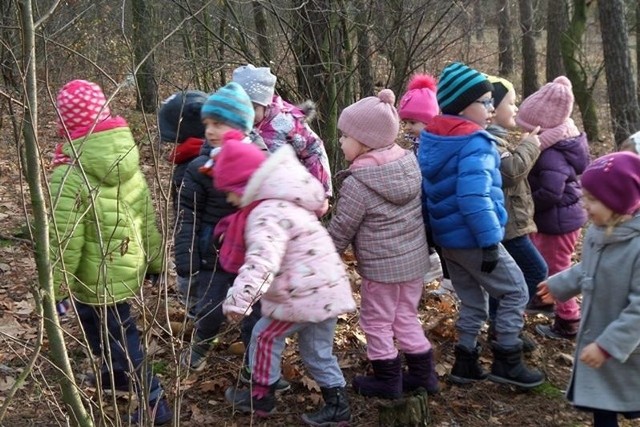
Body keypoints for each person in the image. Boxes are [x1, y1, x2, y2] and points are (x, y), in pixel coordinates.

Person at [50, 79, 171, 424]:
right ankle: (115, 375)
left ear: (66, 123)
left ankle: (154, 402)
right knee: (97, 323)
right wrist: (155, 262)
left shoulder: (69, 172)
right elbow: (145, 214)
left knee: (121, 336)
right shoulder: (124, 154)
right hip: (127, 262)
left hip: (96, 272)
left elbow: (66, 240)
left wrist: (57, 289)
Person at [216, 133, 356, 425]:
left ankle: (261, 397)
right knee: (317, 351)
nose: (229, 199)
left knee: (264, 335)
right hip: (326, 291)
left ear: (244, 187)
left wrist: (240, 299)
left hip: (302, 295)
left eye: (229, 192)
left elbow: (262, 261)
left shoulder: (266, 214)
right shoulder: (290, 203)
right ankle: (337, 404)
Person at [419, 62, 544, 388]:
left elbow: (428, 194)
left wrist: (435, 240)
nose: (491, 108)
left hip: (449, 240)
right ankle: (507, 358)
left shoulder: (433, 138)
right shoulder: (475, 142)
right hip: (475, 238)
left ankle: (466, 360)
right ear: (462, 104)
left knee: (474, 301)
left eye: (492, 101)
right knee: (516, 291)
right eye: (484, 101)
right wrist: (490, 242)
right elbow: (474, 198)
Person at [327, 89, 437, 399]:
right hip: (413, 264)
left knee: (375, 321)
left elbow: (341, 229)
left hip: (381, 270)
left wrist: (322, 257)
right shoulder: (409, 165)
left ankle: (387, 380)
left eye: (345, 136)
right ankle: (422, 375)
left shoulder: (358, 184)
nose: (340, 141)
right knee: (405, 316)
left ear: (365, 142)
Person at [537, 152, 640, 427]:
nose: (585, 205)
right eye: (585, 197)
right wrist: (560, 285)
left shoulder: (636, 246)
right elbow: (587, 269)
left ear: (619, 201)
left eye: (593, 200)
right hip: (598, 335)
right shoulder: (599, 230)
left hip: (627, 347)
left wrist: (608, 346)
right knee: (601, 404)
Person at [176, 82, 272, 374]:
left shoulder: (262, 164)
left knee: (255, 311)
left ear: (241, 127)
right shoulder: (199, 168)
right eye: (208, 123)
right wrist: (186, 256)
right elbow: (187, 215)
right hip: (213, 254)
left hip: (251, 255)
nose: (210, 131)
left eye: (219, 124)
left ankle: (255, 363)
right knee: (209, 307)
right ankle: (200, 346)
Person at [516, 76, 590, 340]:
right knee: (540, 258)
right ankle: (543, 300)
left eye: (528, 130)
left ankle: (569, 319)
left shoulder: (552, 154)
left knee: (558, 267)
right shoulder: (556, 143)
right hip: (554, 219)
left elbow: (551, 191)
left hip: (559, 221)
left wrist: (527, 203)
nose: (524, 134)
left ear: (542, 128)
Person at [485, 75, 547, 352]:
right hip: (506, 225)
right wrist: (530, 145)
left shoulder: (500, 138)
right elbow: (510, 173)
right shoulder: (490, 142)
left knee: (509, 280)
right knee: (536, 271)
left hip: (512, 223)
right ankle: (503, 326)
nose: (517, 108)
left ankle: (502, 325)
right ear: (493, 109)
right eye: (511, 103)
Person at [232, 64, 333, 203]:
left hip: (289, 194)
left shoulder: (287, 123)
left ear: (266, 104)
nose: (246, 113)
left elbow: (314, 150)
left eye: (253, 108)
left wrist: (322, 193)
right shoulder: (232, 124)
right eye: (241, 107)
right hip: (249, 196)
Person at [397, 73, 451, 293]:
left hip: (437, 197)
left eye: (413, 122)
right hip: (424, 196)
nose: (408, 127)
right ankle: (434, 264)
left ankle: (444, 273)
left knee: (438, 237)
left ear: (428, 119)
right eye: (405, 122)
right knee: (425, 231)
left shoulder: (436, 141)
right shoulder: (417, 141)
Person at [158, 90, 208, 316]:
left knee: (202, 308)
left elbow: (186, 219)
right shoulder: (215, 157)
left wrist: (186, 265)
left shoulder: (190, 168)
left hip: (201, 254)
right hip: (208, 253)